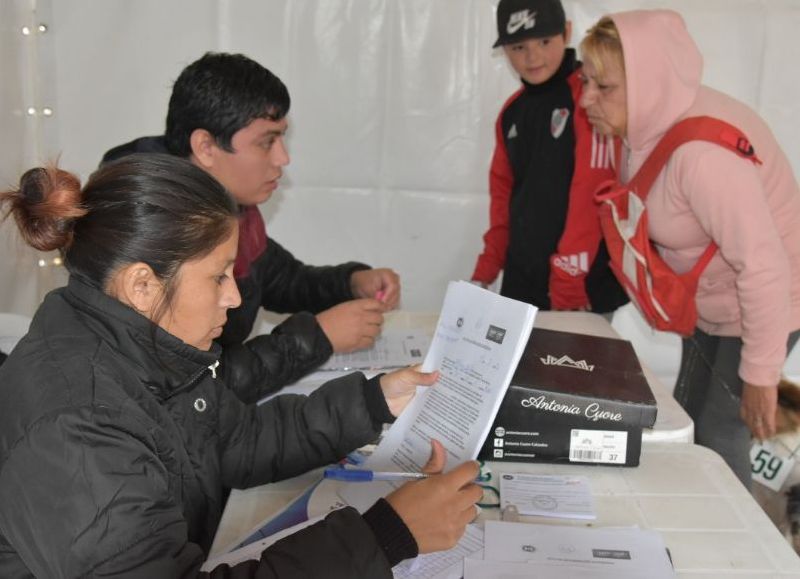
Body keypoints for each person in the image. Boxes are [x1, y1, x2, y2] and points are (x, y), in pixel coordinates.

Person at [0, 154, 483, 578]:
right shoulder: (77, 427)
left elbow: (237, 439)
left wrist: (375, 401)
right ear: (141, 286)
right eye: (218, 277)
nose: (233, 297)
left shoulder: (146, 345)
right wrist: (387, 537)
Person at [579, 9, 800, 488]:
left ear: (649, 82)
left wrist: (762, 377)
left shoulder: (703, 158)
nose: (586, 98)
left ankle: (736, 557)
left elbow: (765, 268)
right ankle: (693, 521)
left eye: (604, 87)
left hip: (769, 297)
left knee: (720, 428)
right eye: (586, 81)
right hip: (713, 299)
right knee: (688, 415)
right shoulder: (641, 127)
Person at [102, 52, 401, 403]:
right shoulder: (149, 236)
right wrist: (318, 338)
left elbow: (280, 279)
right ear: (206, 147)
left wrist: (350, 282)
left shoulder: (224, 208)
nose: (283, 158)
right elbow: (193, 389)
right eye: (266, 142)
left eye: (282, 139)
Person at [470, 0, 627, 316]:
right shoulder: (512, 112)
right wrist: (485, 271)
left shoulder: (589, 100)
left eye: (544, 41)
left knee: (572, 366)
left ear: (566, 32)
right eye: (518, 47)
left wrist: (569, 283)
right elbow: (503, 202)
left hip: (580, 287)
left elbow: (591, 198)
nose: (533, 56)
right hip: (523, 283)